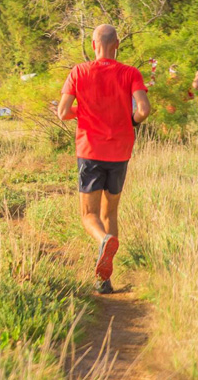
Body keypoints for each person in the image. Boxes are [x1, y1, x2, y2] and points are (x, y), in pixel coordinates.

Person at [57, 24, 151, 295]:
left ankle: (104, 241)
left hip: (90, 151)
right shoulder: (130, 73)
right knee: (110, 213)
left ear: (93, 43)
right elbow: (144, 109)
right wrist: (129, 119)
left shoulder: (79, 71)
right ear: (117, 44)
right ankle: (104, 280)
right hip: (120, 151)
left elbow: (63, 113)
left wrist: (84, 111)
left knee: (89, 215)